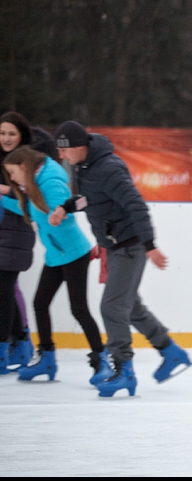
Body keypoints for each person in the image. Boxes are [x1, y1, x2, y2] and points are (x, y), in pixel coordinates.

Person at [48, 120, 192, 398]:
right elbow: (90, 199)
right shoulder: (86, 166)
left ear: (79, 147)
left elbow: (135, 204)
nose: (61, 156)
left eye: (64, 150)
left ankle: (124, 371)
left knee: (112, 307)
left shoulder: (109, 168)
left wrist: (150, 245)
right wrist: (66, 207)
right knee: (130, 306)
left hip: (130, 246)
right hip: (115, 247)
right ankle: (171, 352)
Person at [1, 146, 114, 383]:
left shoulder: (50, 182)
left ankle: (102, 361)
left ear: (24, 167)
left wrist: (57, 213)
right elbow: (30, 210)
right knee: (40, 304)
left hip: (73, 253)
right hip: (55, 255)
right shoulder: (33, 186)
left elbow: (66, 210)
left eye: (12, 172)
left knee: (79, 309)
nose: (11, 178)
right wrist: (3, 199)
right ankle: (47, 360)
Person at [0, 112, 36, 374]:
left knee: (5, 292)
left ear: (22, 135)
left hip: (15, 234)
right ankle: (20, 343)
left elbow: (28, 192)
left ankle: (12, 346)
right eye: (2, 133)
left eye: (12, 133)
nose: (6, 138)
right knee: (7, 291)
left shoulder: (26, 160)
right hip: (4, 233)